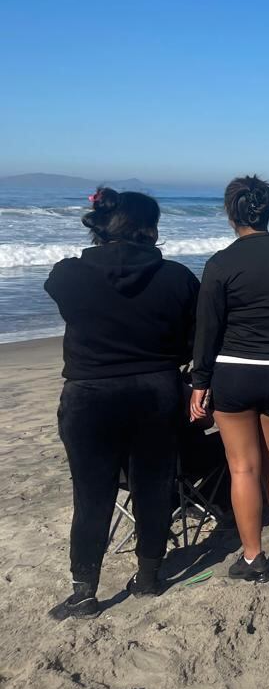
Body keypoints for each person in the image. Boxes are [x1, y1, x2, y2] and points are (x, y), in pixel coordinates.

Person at [43, 188, 200, 619]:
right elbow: (193, 339)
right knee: (154, 485)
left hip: (89, 396)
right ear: (149, 228)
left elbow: (64, 298)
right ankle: (148, 577)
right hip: (156, 390)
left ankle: (84, 593)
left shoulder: (67, 275)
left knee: (91, 493)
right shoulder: (179, 277)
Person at [189, 176, 269, 582]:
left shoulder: (220, 263)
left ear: (231, 213)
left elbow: (206, 330)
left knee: (243, 468)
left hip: (234, 372)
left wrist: (199, 381)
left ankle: (253, 558)